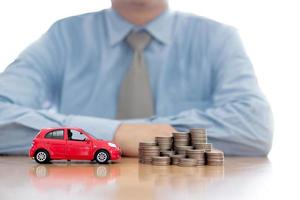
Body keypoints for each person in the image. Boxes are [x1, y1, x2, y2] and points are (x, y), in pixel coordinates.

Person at [0, 0, 273, 156]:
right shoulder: (64, 37)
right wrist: (116, 134)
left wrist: (130, 135)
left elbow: (253, 126)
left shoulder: (217, 39)